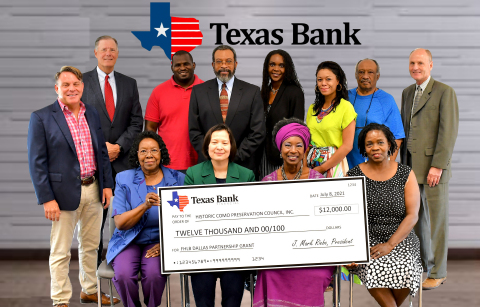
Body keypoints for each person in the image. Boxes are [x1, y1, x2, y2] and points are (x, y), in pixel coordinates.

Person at [27, 66, 118, 306]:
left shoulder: (93, 114)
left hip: (94, 190)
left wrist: (107, 185)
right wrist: (47, 198)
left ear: (82, 87)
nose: (71, 89)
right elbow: (37, 162)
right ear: (57, 89)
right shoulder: (42, 117)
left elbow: (101, 152)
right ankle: (60, 299)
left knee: (91, 247)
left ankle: (90, 290)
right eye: (65, 85)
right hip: (62, 194)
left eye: (75, 84)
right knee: (61, 251)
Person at [253, 118, 335, 307]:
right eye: (287, 145)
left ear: (306, 149)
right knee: (268, 272)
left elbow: (328, 222)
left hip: (312, 253)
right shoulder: (267, 181)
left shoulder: (319, 180)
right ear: (280, 149)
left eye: (299, 145)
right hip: (278, 253)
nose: (293, 150)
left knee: (317, 273)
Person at [82, 35, 143, 267]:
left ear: (117, 53)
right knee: (94, 223)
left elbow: (137, 122)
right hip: (93, 165)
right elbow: (77, 122)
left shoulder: (129, 83)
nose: (109, 53)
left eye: (113, 50)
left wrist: (118, 146)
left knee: (126, 217)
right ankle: (93, 281)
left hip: (123, 164)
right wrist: (102, 148)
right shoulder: (82, 82)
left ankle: (124, 267)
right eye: (104, 49)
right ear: (96, 53)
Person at [400, 48, 459, 290]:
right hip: (411, 168)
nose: (416, 67)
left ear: (431, 65)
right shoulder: (406, 93)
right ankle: (423, 267)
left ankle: (439, 272)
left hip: (434, 169)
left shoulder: (445, 92)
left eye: (421, 63)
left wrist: (438, 166)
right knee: (416, 220)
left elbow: (448, 133)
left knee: (436, 222)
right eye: (412, 63)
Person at [346, 123, 423, 307]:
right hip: (368, 238)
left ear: (390, 144)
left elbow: (412, 215)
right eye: (369, 144)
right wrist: (351, 249)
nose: (375, 148)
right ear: (364, 148)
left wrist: (390, 244)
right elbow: (349, 218)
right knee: (373, 268)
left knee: (407, 267)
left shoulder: (405, 173)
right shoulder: (354, 175)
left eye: (380, 142)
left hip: (401, 236)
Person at [106, 131, 185, 307]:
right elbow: (120, 223)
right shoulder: (124, 179)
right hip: (128, 240)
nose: (149, 155)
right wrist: (144, 206)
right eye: (143, 151)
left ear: (161, 153)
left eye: (154, 150)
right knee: (124, 275)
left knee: (155, 275)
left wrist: (168, 243)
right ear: (137, 155)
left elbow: (186, 219)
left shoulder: (178, 180)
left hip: (159, 241)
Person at [185, 123, 255, 307]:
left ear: (231, 146)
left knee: (232, 303)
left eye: (224, 142)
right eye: (214, 142)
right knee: (203, 303)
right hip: (202, 250)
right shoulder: (193, 173)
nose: (219, 147)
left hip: (234, 251)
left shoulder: (246, 175)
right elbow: (186, 214)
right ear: (207, 146)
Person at [189, 45, 265, 172]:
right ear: (213, 64)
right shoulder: (199, 92)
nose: (224, 65)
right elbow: (194, 131)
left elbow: (257, 132)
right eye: (219, 62)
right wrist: (212, 155)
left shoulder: (252, 92)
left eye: (228, 61)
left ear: (235, 64)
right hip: (208, 166)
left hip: (242, 166)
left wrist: (234, 156)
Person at [145, 50, 203, 173]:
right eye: (178, 65)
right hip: (168, 165)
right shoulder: (159, 92)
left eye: (186, 64)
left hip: (202, 163)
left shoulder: (206, 90)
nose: (182, 68)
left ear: (194, 65)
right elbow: (150, 129)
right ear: (172, 67)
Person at [347, 58, 405, 168]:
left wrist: (387, 166)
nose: (365, 76)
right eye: (361, 72)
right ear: (356, 75)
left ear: (377, 76)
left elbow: (397, 137)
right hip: (345, 166)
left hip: (375, 166)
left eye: (370, 72)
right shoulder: (345, 97)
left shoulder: (386, 100)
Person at [306, 61, 356, 177]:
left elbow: (347, 146)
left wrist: (323, 168)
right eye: (320, 80)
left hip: (334, 164)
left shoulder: (345, 107)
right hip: (311, 165)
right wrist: (305, 167)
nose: (323, 83)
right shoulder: (312, 109)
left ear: (338, 81)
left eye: (328, 79)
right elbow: (307, 143)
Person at [259, 49, 304, 179]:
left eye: (281, 65)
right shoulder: (264, 91)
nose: (276, 69)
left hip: (282, 156)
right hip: (262, 154)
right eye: (272, 64)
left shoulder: (294, 92)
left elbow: (296, 129)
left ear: (287, 68)